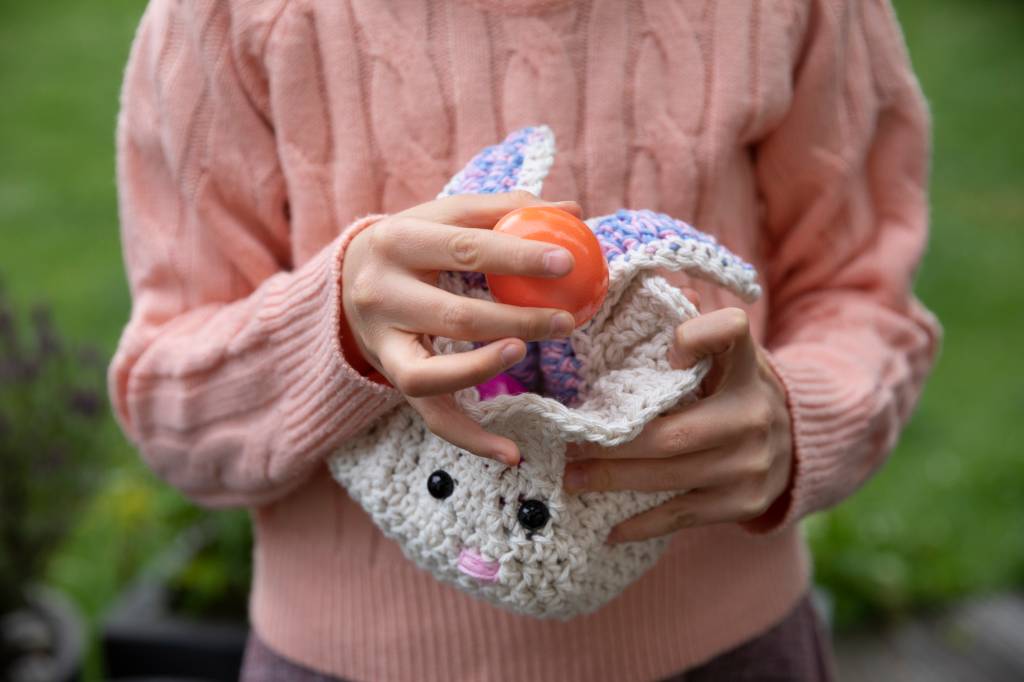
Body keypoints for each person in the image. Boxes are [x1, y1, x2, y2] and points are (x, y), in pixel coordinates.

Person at [108, 0, 942, 680]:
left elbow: (864, 297)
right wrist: (334, 329)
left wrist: (798, 422)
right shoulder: (222, 20)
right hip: (343, 664)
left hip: (730, 650)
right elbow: (169, 406)